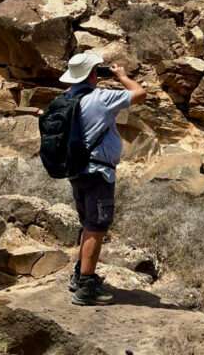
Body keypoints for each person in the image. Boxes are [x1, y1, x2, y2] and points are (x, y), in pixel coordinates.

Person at [56, 52, 146, 306]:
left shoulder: (65, 98)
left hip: (76, 171)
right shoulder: (101, 98)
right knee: (97, 227)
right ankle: (86, 286)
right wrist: (122, 76)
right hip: (98, 173)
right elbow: (140, 94)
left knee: (88, 225)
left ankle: (79, 274)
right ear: (93, 74)